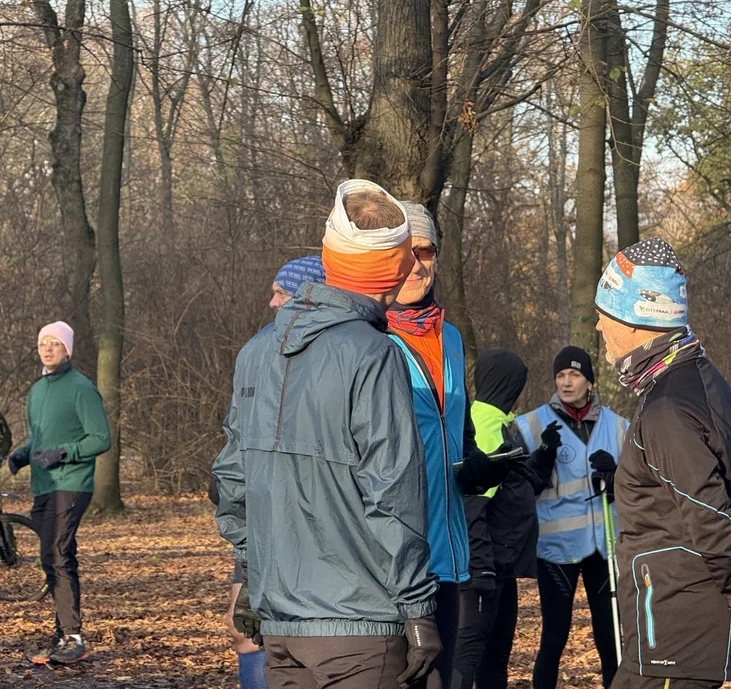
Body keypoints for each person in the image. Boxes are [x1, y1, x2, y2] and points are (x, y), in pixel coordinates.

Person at [213, 179, 441, 689]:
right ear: (395, 268)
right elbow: (394, 493)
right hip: (360, 627)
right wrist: (419, 608)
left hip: (281, 625)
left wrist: (252, 573)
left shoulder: (255, 352)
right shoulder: (373, 354)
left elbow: (233, 481)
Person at [594, 237, 731, 689]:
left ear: (636, 319)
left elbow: (720, 526)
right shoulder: (704, 387)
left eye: (606, 312)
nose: (598, 325)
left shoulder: (669, 409)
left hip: (676, 640)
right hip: (677, 636)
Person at [386, 202, 514, 689]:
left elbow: (452, 434)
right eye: (405, 253)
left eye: (427, 251)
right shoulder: (370, 338)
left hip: (449, 551)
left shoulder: (453, 338)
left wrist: (478, 468)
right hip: (391, 555)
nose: (417, 265)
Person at [218, 255, 326, 689]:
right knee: (245, 633)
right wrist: (235, 510)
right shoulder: (256, 351)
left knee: (306, 645)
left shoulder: (341, 355)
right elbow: (235, 439)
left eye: (280, 293)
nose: (270, 302)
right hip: (258, 525)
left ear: (305, 296)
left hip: (311, 527)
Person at [512, 346, 628, 689]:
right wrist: (542, 457)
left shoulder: (619, 426)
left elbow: (639, 486)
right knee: (554, 636)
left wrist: (616, 477)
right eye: (560, 375)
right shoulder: (531, 425)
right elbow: (518, 491)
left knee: (610, 639)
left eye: (574, 375)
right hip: (555, 549)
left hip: (603, 548)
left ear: (590, 382)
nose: (566, 382)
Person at [452, 349, 560, 689]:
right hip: (483, 570)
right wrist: (481, 567)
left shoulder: (503, 424)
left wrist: (544, 456)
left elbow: (517, 487)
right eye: (517, 383)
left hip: (503, 566)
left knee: (496, 657)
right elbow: (472, 502)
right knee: (468, 656)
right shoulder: (485, 429)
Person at [7, 321, 111, 665]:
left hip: (71, 483)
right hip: (43, 485)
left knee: (58, 553)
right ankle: (62, 634)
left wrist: (64, 451)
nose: (48, 349)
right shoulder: (37, 390)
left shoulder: (81, 388)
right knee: (51, 558)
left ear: (68, 348)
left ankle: (73, 637)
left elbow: (101, 438)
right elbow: (39, 437)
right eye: (43, 344)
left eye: (55, 343)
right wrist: (23, 454)